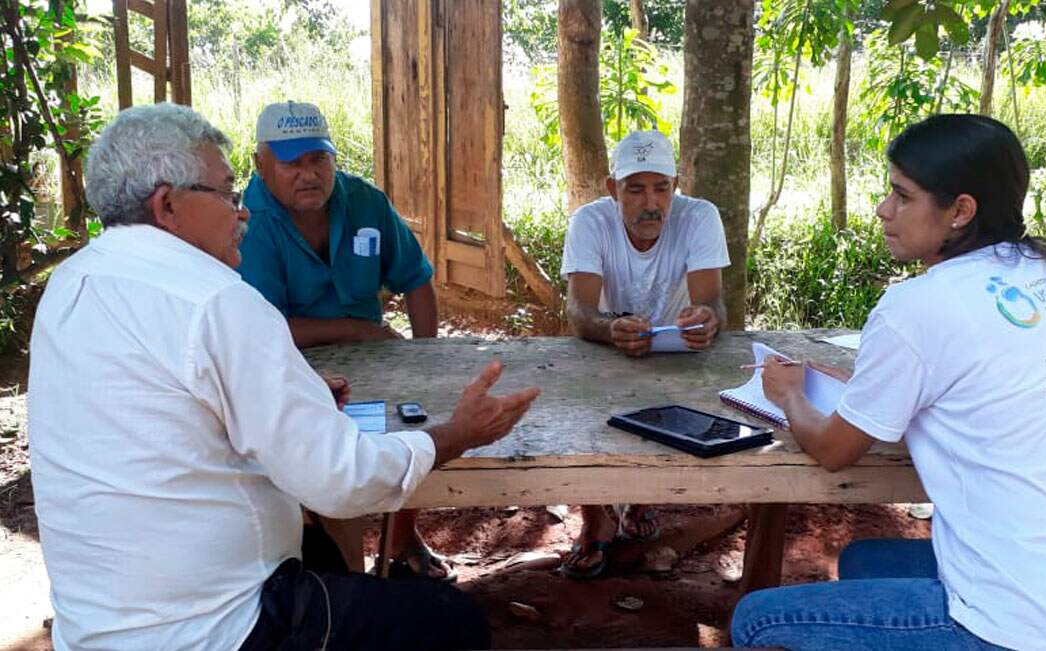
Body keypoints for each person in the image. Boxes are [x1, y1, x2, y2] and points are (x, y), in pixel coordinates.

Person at [28, 103, 541, 651]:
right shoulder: (217, 300)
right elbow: (344, 481)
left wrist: (285, 396)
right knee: (450, 620)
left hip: (102, 622)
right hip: (218, 626)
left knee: (325, 558)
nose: (240, 212)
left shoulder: (72, 282)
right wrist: (457, 434)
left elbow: (162, 408)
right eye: (226, 194)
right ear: (168, 204)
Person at [731, 114, 1046, 651]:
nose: (883, 209)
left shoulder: (916, 306)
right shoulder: (1043, 272)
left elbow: (833, 451)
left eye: (902, 196)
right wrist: (865, 384)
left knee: (757, 622)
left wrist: (787, 394)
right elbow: (976, 379)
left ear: (961, 211)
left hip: (1023, 627)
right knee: (864, 560)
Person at [236, 101, 449, 580]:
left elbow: (416, 278)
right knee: (324, 460)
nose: (308, 174)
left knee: (417, 427)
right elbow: (261, 329)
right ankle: (343, 579)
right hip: (288, 367)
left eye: (319, 160)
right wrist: (359, 329)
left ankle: (402, 539)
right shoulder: (248, 223)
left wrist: (426, 357)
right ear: (261, 164)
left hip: (376, 360)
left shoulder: (366, 202)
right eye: (292, 163)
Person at [558, 129, 730, 579]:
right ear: (612, 189)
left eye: (661, 188)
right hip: (606, 346)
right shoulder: (589, 222)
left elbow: (714, 304)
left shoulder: (700, 217)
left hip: (676, 350)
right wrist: (609, 329)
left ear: (676, 184)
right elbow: (578, 311)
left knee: (667, 418)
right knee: (590, 416)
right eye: (635, 189)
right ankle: (597, 521)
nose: (650, 202)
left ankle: (640, 500)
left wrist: (706, 320)